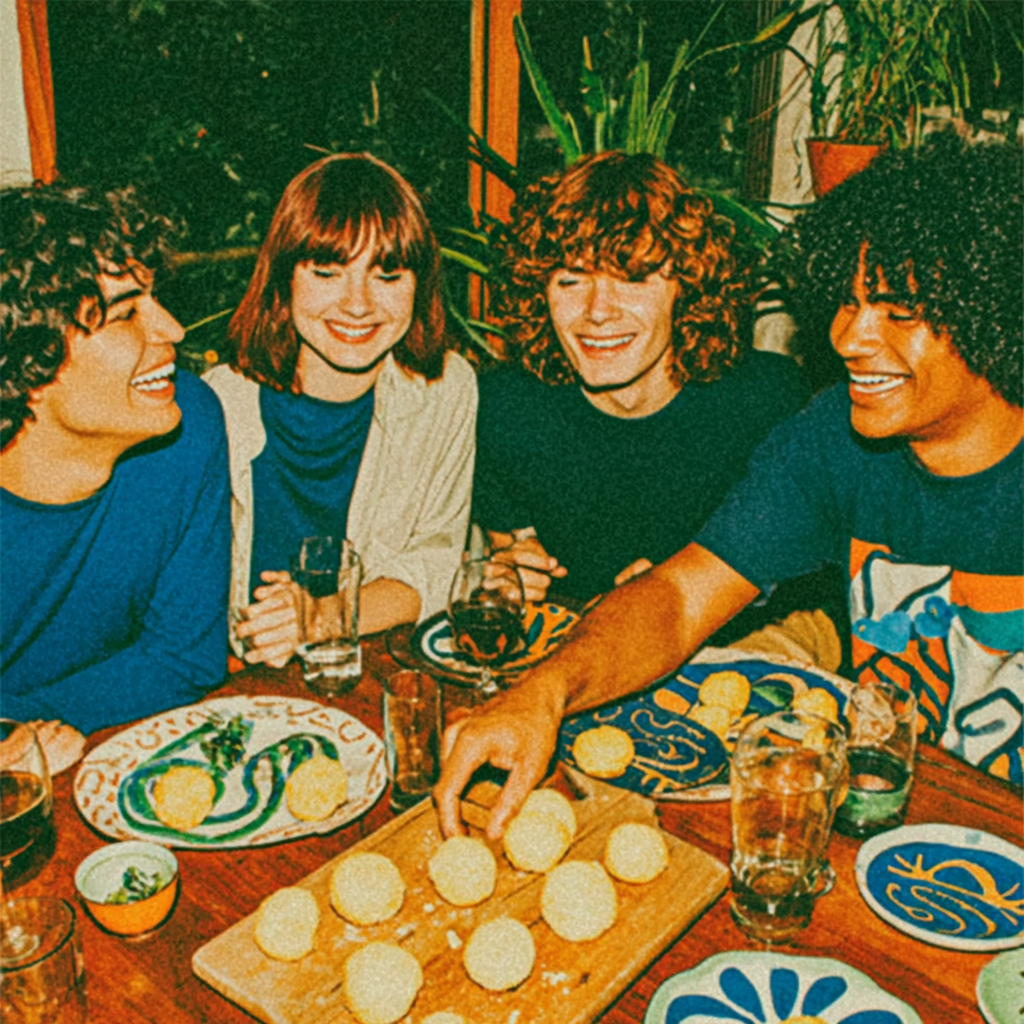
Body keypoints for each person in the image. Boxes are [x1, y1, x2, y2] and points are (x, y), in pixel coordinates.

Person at [435, 139, 1023, 839]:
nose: (848, 337)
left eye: (899, 311)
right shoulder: (833, 438)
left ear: (997, 314)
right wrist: (542, 692)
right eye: (849, 301)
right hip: (895, 827)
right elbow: (680, 598)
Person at [474, 150, 809, 605]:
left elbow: (804, 586)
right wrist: (515, 579)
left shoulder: (768, 403)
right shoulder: (505, 409)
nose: (597, 312)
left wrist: (682, 595)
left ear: (685, 287)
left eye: (632, 280)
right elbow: (512, 555)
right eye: (571, 280)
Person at [205, 153, 475, 665]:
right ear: (283, 278)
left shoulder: (447, 390)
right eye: (328, 272)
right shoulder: (214, 406)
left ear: (420, 284)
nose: (358, 305)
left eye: (388, 275)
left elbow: (438, 562)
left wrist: (322, 613)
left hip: (367, 674)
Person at [0, 184, 231, 769]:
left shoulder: (188, 424)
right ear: (31, 358)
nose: (173, 330)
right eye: (127, 313)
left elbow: (185, 660)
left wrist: (20, 727)